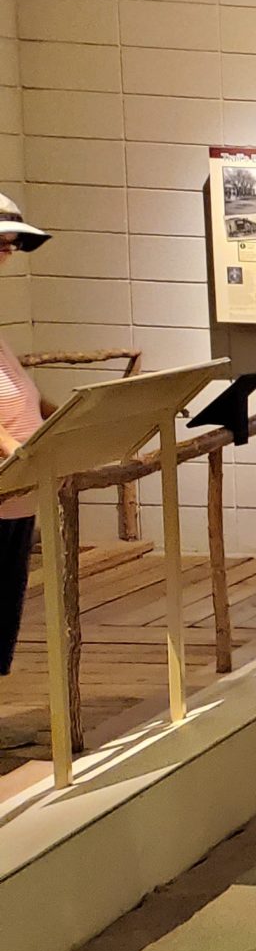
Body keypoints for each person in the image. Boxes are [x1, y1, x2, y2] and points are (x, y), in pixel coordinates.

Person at [0, 198, 53, 674]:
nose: (7, 256)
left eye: (10, 246)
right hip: (4, 483)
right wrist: (14, 448)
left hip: (16, 495)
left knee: (2, 619)